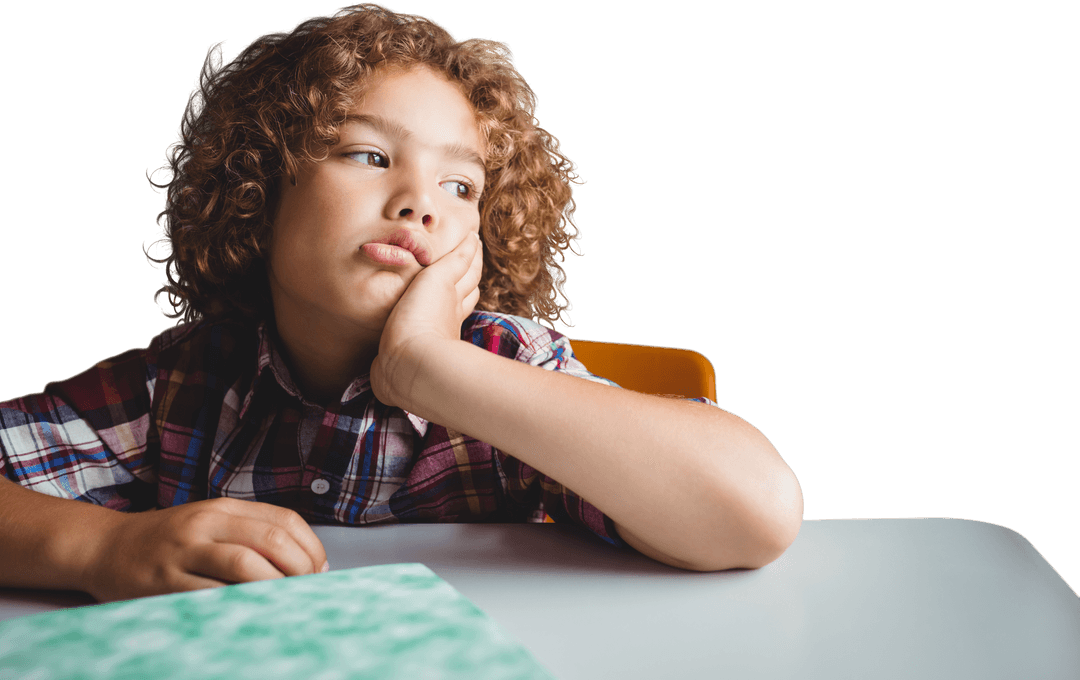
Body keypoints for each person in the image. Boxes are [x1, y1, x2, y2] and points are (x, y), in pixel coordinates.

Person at [0, 2, 803, 604]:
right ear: (256, 192)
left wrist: (427, 368)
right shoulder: (178, 387)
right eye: (370, 154)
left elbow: (756, 513)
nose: (422, 201)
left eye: (461, 185)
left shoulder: (506, 367)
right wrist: (100, 550)